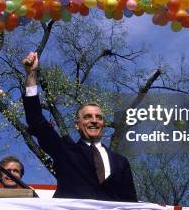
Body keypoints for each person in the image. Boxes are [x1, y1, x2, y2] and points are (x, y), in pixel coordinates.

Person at [22, 51, 137, 202]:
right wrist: (31, 74)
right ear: (77, 124)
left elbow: (131, 203)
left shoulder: (120, 161)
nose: (94, 120)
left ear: (103, 124)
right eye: (88, 117)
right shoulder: (64, 150)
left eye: (99, 117)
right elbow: (36, 120)